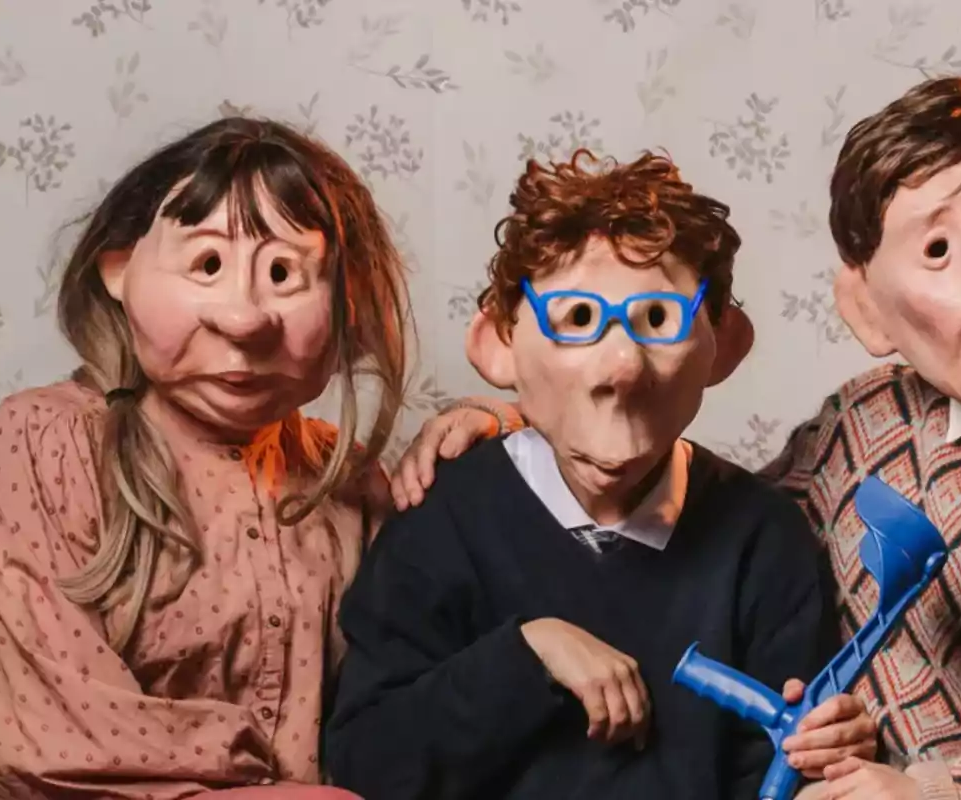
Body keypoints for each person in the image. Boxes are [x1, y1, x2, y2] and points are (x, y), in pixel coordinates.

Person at [384, 78, 961, 800]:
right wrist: (527, 424)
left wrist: (939, 792)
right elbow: (669, 497)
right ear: (866, 309)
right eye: (936, 251)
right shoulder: (860, 427)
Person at [325, 149, 879, 800]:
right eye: (579, 319)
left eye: (658, 320)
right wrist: (527, 656)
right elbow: (368, 758)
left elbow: (774, 771)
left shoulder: (763, 540)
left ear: (723, 343)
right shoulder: (443, 519)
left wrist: (822, 754)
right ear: (499, 344)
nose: (622, 368)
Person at [0, 116, 410, 799]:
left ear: (345, 300)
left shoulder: (352, 484)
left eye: (283, 274)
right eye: (208, 264)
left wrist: (513, 443)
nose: (243, 319)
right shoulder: (39, 443)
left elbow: (406, 708)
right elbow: (44, 734)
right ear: (119, 272)